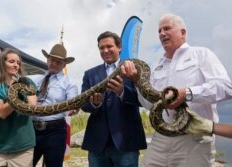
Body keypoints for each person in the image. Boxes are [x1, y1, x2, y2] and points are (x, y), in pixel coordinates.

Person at [121, 13, 232, 167]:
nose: (162, 33)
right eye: (159, 31)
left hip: (194, 138)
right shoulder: (156, 66)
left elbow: (226, 88)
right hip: (161, 137)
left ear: (183, 32)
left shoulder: (201, 54)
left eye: (167, 28)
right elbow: (149, 104)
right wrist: (136, 81)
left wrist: (186, 93)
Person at [81, 31, 147, 167]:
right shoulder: (89, 74)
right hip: (97, 143)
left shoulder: (134, 69)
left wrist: (123, 92)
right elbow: (83, 104)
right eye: (101, 48)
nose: (105, 50)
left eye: (109, 46)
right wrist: (94, 104)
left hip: (126, 141)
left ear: (119, 47)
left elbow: (144, 99)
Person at [0, 48, 37, 167]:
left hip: (23, 146)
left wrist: (17, 87)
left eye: (18, 63)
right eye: (12, 62)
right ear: (2, 63)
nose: (16, 65)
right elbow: (2, 112)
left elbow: (32, 106)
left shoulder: (26, 82)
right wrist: (16, 92)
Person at [32, 44, 78, 167]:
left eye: (59, 62)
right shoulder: (36, 80)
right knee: (25, 164)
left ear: (64, 65)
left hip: (55, 131)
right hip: (31, 130)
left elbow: (73, 102)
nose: (54, 63)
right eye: (52, 60)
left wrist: (74, 108)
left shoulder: (69, 83)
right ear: (47, 60)